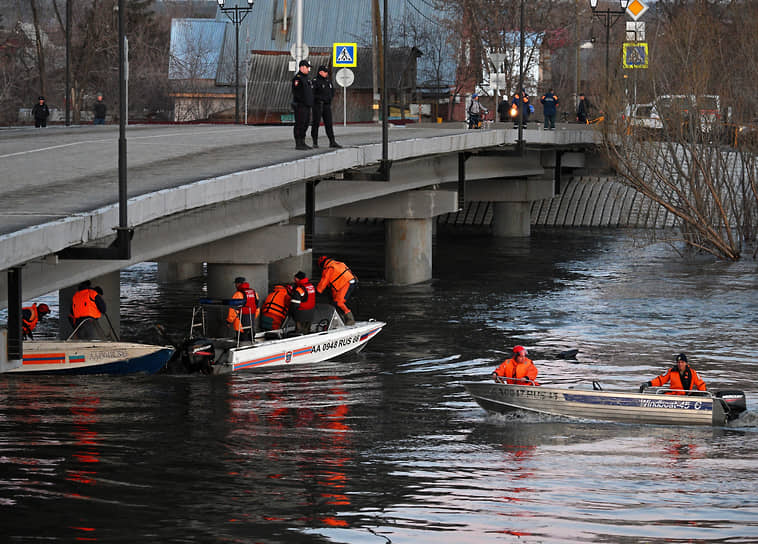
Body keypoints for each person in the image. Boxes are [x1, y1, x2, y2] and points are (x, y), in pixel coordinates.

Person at [316, 256, 357, 325]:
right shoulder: (338, 263)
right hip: (347, 282)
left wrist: (317, 291)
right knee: (335, 302)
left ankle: (350, 319)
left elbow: (324, 282)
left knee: (339, 302)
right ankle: (341, 319)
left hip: (345, 284)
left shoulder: (328, 269)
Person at [639, 353, 707, 395]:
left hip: (686, 397)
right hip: (673, 395)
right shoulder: (671, 371)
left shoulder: (692, 373)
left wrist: (704, 394)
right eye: (678, 362)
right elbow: (661, 380)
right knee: (660, 394)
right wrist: (649, 384)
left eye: (682, 362)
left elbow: (700, 384)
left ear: (686, 363)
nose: (680, 364)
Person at [311, 65, 341, 149]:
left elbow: (332, 92)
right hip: (318, 105)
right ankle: (315, 142)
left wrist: (329, 99)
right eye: (325, 72)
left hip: (327, 105)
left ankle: (332, 141)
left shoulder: (328, 81)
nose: (326, 73)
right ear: (320, 72)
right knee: (316, 123)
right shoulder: (315, 81)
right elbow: (313, 93)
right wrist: (319, 99)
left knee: (329, 124)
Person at [292, 59, 314, 150]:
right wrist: (302, 101)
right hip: (300, 105)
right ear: (302, 67)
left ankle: (303, 141)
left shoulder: (307, 78)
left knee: (305, 123)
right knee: (300, 124)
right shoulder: (298, 78)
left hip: (307, 105)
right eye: (307, 68)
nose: (308, 69)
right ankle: (298, 143)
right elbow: (296, 92)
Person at [290, 270, 316, 334]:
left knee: (299, 331)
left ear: (297, 278)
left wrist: (290, 312)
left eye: (295, 278)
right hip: (311, 312)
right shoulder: (311, 286)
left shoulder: (299, 289)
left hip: (301, 313)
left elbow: (295, 304)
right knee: (307, 330)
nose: (294, 279)